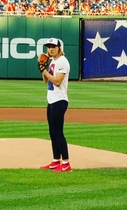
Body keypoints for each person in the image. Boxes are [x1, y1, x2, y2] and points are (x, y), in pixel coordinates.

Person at [38, 37, 72, 173]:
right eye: (49, 47)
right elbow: (46, 81)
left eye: (53, 46)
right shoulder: (53, 61)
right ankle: (56, 160)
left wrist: (45, 71)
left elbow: (57, 81)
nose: (50, 49)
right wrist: (42, 69)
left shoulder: (63, 61)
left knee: (58, 132)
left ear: (59, 47)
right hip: (51, 99)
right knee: (52, 132)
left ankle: (66, 163)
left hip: (59, 100)